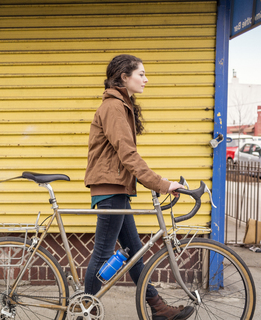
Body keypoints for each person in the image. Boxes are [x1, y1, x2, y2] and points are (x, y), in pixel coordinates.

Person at [83, 54, 194, 320]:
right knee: (102, 254)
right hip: (110, 189)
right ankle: (83, 310)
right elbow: (127, 155)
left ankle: (158, 307)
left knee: (133, 253)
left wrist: (157, 183)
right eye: (141, 74)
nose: (146, 79)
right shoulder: (113, 107)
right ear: (124, 76)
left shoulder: (122, 106)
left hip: (117, 189)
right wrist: (161, 183)